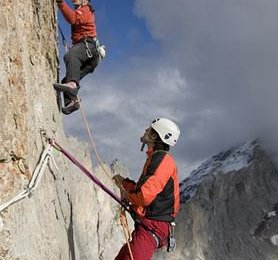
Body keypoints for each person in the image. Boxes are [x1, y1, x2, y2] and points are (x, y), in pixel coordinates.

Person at [113, 118, 181, 260]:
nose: (146, 130)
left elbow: (144, 196)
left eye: (149, 129)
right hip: (150, 227)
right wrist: (125, 184)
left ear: (155, 136)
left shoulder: (163, 161)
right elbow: (144, 189)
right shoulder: (156, 158)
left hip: (153, 229)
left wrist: (127, 195)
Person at [54, 0, 105, 115]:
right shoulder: (82, 10)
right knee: (66, 80)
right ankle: (72, 102)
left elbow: (72, 18)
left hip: (89, 46)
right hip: (91, 58)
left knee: (70, 56)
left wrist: (60, 2)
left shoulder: (85, 10)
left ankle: (72, 85)